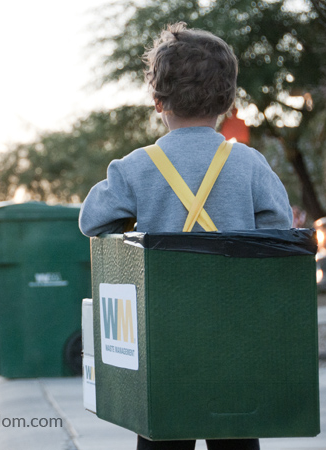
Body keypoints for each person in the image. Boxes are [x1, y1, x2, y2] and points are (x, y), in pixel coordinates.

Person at [79, 23, 292, 450]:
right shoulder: (250, 165)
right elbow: (280, 232)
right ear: (228, 102)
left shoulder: (135, 168)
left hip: (164, 339)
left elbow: (91, 221)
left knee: (162, 435)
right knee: (235, 432)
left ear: (158, 101)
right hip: (235, 335)